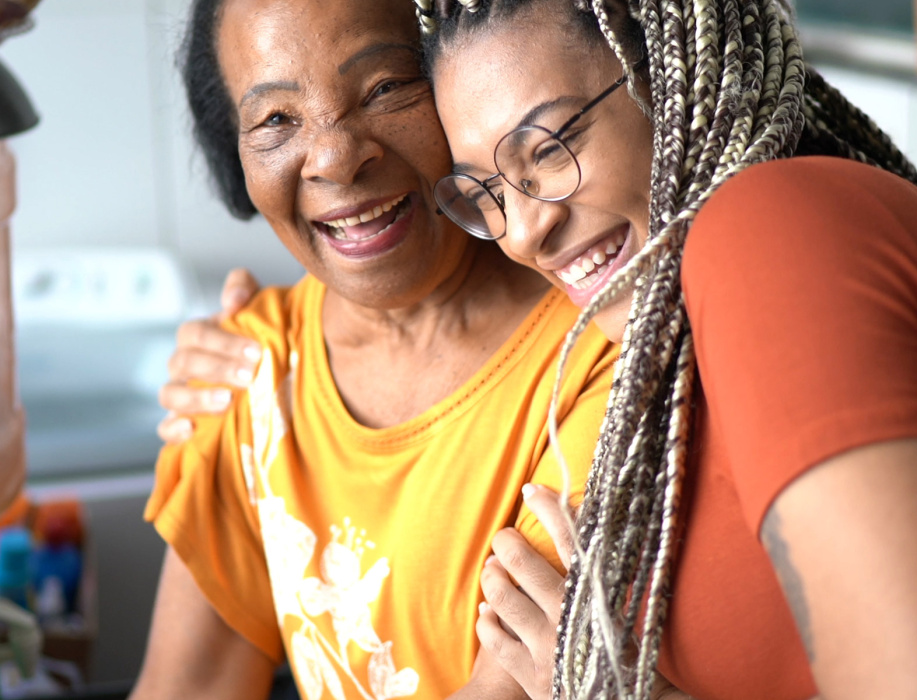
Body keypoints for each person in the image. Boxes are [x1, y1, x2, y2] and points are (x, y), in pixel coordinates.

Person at [413, 0, 917, 698]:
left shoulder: (774, 231)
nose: (523, 231)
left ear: (675, 84)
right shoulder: (672, 358)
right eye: (486, 194)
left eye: (547, 146)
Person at [128, 0, 619, 697]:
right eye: (275, 120)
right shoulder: (247, 374)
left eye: (386, 87)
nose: (335, 157)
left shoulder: (601, 354)